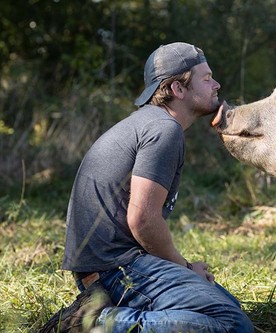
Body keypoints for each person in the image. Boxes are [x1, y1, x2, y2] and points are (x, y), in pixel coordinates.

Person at [40, 42, 254, 333]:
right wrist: (186, 268)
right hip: (116, 271)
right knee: (231, 324)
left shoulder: (148, 123)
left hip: (107, 269)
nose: (216, 85)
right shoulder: (164, 130)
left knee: (229, 308)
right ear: (178, 89)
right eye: (206, 79)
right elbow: (142, 219)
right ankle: (91, 323)